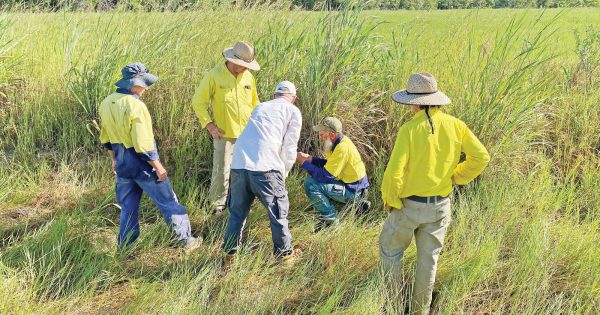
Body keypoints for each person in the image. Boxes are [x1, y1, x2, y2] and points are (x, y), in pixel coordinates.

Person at [379, 72, 490, 314]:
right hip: (440, 206)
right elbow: (481, 157)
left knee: (390, 250)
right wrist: (456, 176)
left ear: (414, 102)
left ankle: (394, 307)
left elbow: (394, 172)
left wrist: (390, 199)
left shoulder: (408, 129)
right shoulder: (456, 126)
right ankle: (420, 311)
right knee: (428, 262)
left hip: (408, 206)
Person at [99, 62, 200, 251]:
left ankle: (125, 248)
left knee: (128, 207)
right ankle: (186, 241)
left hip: (122, 162)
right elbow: (143, 143)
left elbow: (105, 137)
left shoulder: (106, 102)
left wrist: (114, 159)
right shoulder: (136, 105)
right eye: (144, 83)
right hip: (142, 164)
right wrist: (158, 166)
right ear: (134, 83)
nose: (145, 88)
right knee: (168, 201)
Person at [222, 81, 301, 266]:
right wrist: (284, 174)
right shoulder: (292, 111)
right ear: (293, 98)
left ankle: (229, 259)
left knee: (237, 214)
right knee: (278, 215)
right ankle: (284, 259)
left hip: (239, 164)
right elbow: (290, 148)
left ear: (274, 95)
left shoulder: (261, 106)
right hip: (266, 167)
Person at [192, 41, 260, 213]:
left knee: (245, 172)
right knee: (222, 171)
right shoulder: (214, 75)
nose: (246, 68)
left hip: (247, 134)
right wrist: (210, 126)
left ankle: (241, 204)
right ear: (233, 60)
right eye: (243, 65)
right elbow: (198, 102)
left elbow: (255, 104)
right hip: (224, 135)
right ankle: (217, 206)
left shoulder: (248, 77)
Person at [296, 117, 370, 232]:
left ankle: (331, 220)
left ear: (332, 135)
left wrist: (303, 162)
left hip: (354, 191)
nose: (320, 136)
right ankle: (354, 206)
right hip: (350, 185)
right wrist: (311, 159)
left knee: (311, 184)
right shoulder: (339, 142)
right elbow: (330, 165)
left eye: (322, 133)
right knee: (314, 181)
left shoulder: (342, 148)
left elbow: (325, 176)